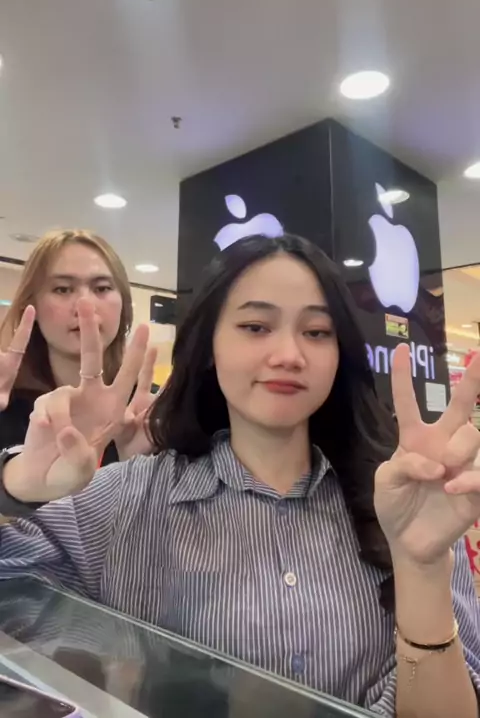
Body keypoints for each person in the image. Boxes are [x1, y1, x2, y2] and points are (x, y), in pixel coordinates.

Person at [0, 233, 479, 717]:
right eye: (255, 326)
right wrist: (14, 484)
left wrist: (421, 570)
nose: (289, 354)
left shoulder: (406, 503)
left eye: (317, 332)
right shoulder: (125, 498)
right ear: (210, 345)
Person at [0, 229, 156, 462]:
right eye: (62, 289)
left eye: (102, 288)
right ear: (31, 306)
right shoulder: (8, 405)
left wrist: (134, 468)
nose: (85, 305)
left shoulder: (148, 412)